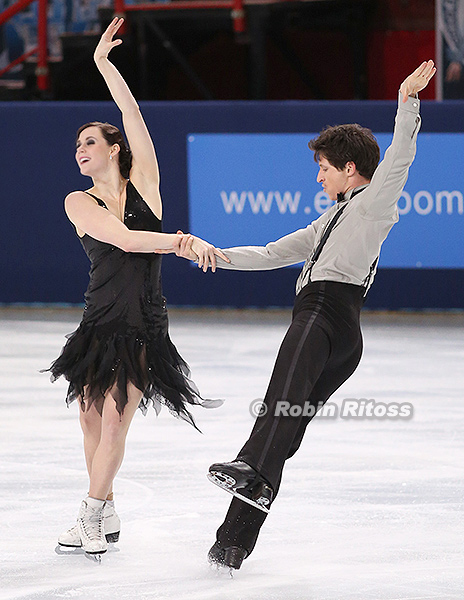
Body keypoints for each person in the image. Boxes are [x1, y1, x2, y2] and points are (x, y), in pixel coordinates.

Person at [178, 60, 436, 571]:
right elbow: (272, 252)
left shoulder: (373, 203)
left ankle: (250, 467)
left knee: (276, 410)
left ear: (349, 169)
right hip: (343, 336)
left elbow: (400, 158)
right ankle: (233, 540)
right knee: (285, 425)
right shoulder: (328, 219)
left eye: (323, 166)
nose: (318, 175)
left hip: (322, 316)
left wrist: (407, 100)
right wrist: (212, 253)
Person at [47, 17, 226, 557]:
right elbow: (124, 241)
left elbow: (132, 114)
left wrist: (104, 64)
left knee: (115, 422)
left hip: (141, 320)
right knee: (90, 421)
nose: (80, 151)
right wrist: (179, 241)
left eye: (89, 142)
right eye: (76, 145)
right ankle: (106, 505)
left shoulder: (145, 182)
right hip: (98, 317)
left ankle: (89, 513)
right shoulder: (78, 202)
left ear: (114, 149)